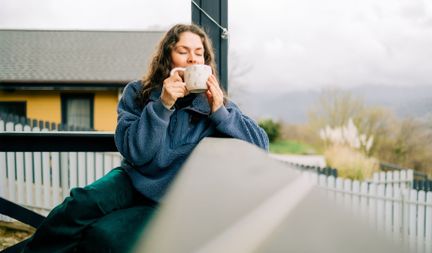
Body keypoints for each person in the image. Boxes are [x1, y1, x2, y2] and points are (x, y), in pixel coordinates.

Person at [22, 24, 269, 253]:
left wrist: (219, 113)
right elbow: (136, 151)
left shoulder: (215, 103)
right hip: (132, 178)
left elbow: (261, 145)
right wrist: (164, 104)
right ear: (167, 57)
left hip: (173, 197)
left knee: (107, 237)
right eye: (183, 51)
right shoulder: (138, 93)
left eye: (199, 53)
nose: (193, 59)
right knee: (78, 204)